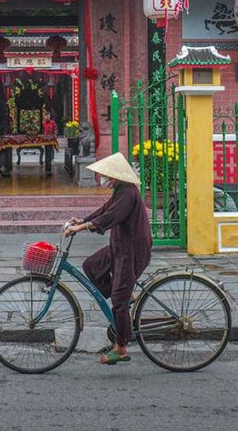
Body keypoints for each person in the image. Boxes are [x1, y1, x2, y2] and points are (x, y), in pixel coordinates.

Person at [64, 152, 152, 364]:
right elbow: (105, 210)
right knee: (91, 265)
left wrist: (82, 227)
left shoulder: (128, 193)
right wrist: (83, 219)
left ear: (117, 176)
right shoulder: (120, 191)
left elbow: (112, 217)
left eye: (107, 175)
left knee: (118, 304)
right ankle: (121, 293)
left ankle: (121, 347)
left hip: (131, 251)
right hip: (119, 246)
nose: (104, 178)